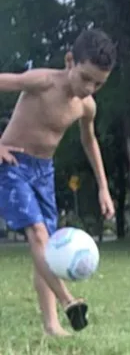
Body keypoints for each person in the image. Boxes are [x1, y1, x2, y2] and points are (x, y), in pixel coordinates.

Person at [0, 28, 116, 336]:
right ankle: (69, 302)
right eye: (86, 77)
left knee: (48, 246)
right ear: (69, 61)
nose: (89, 87)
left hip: (44, 172)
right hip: (11, 164)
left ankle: (52, 326)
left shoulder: (86, 105)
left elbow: (90, 142)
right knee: (38, 234)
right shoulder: (41, 82)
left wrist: (104, 187)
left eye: (98, 84)